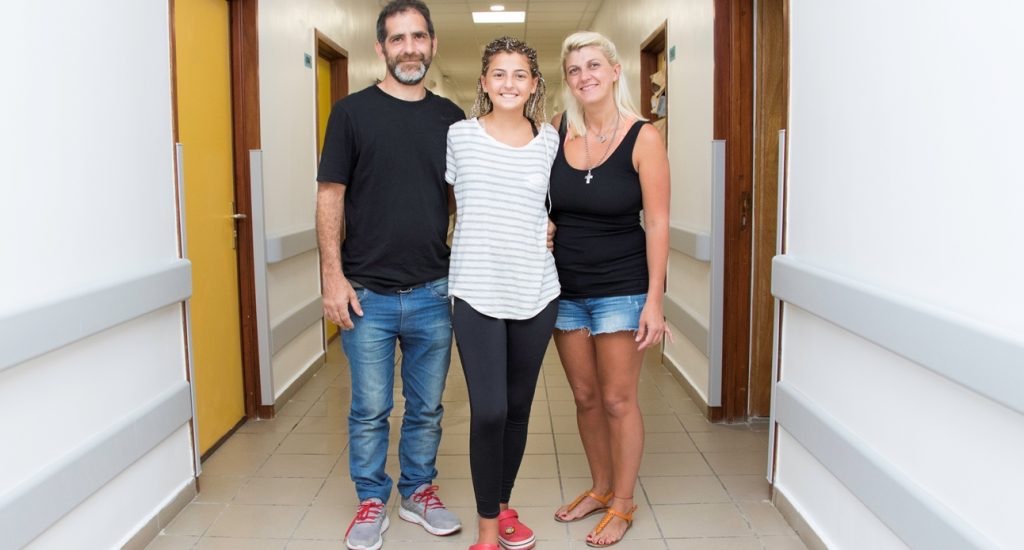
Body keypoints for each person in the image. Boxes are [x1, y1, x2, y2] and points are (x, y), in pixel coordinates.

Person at [315, 2, 464, 549]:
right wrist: (332, 278)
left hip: (433, 290)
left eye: (418, 37)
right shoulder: (351, 113)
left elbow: (463, 197)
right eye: (397, 39)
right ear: (380, 47)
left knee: (426, 407)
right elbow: (330, 197)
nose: (409, 48)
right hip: (366, 293)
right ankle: (372, 499)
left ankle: (418, 492)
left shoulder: (451, 118)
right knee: (370, 408)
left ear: (433, 44)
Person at [547, 31, 670, 548]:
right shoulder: (557, 130)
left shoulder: (644, 137)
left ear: (616, 71)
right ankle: (599, 488)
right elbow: (540, 199)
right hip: (565, 290)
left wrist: (655, 301)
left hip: (622, 288)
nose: (585, 76)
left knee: (619, 399)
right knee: (585, 396)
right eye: (575, 69)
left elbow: (657, 223)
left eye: (594, 65)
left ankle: (623, 502)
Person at [445, 36, 560, 550]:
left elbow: (564, 204)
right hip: (475, 289)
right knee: (489, 410)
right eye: (499, 73)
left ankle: (502, 504)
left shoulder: (550, 141)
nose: (509, 83)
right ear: (484, 82)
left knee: (517, 409)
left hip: (536, 290)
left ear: (534, 84)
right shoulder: (460, 137)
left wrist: (553, 226)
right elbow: (444, 202)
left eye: (519, 74)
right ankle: (487, 527)